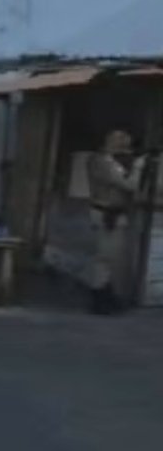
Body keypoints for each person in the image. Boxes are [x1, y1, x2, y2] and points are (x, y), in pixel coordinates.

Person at [86, 129, 142, 314]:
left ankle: (106, 294)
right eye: (122, 143)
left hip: (112, 213)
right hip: (106, 213)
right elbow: (129, 184)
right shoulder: (103, 161)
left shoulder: (107, 161)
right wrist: (138, 167)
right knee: (104, 258)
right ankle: (99, 297)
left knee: (110, 259)